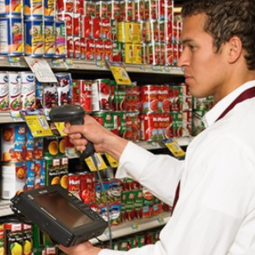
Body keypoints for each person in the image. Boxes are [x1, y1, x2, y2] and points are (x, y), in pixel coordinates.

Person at [59, 0, 255, 254]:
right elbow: (192, 187)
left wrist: (91, 254)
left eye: (191, 47)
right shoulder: (243, 122)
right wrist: (109, 142)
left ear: (232, 49)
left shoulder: (227, 143)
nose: (181, 60)